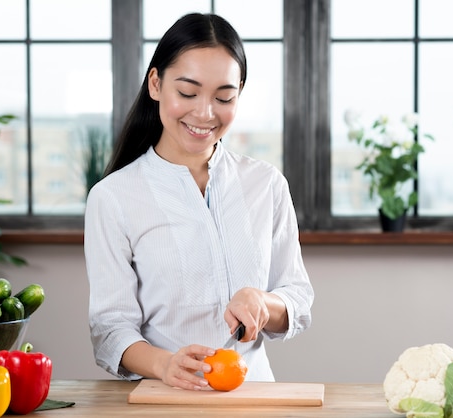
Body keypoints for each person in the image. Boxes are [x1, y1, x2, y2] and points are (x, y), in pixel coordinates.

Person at [84, 12, 314, 391]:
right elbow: (110, 329)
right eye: (187, 93)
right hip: (164, 400)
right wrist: (165, 364)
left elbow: (298, 299)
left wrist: (262, 302)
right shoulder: (113, 198)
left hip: (254, 397)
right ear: (156, 84)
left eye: (224, 97)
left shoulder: (266, 184)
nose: (205, 113)